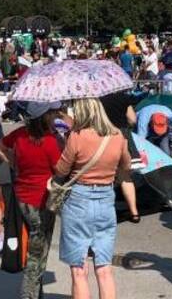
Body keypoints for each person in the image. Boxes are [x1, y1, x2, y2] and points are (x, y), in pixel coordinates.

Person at [54, 98, 139, 299]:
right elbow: (126, 167)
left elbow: (61, 170)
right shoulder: (117, 135)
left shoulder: (76, 136)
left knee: (79, 269)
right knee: (104, 267)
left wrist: (62, 145)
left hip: (78, 199)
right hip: (106, 199)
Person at [0, 101, 64, 299]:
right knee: (38, 248)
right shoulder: (50, 141)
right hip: (42, 199)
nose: (54, 116)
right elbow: (59, 169)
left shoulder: (19, 135)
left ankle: (36, 290)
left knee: (36, 243)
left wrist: (12, 162)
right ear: (44, 117)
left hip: (22, 195)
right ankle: (29, 293)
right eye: (51, 113)